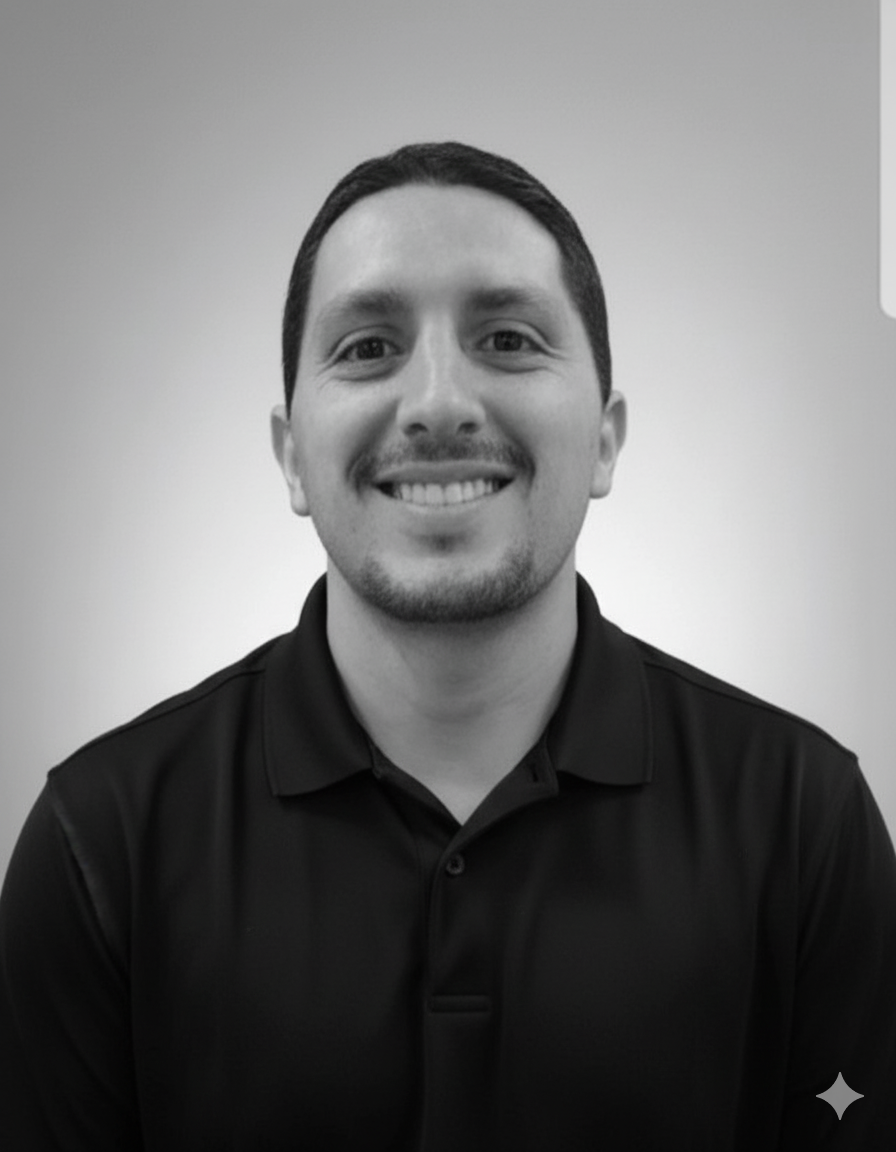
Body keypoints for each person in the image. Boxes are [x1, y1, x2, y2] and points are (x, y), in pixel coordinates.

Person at [1, 141, 894, 1151]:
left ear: (603, 440)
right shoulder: (100, 845)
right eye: (367, 347)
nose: (434, 403)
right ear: (291, 455)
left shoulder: (802, 821)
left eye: (508, 339)